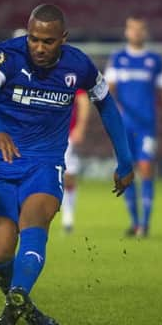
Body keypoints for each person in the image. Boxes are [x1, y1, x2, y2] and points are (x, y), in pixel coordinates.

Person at [0, 4, 134, 325]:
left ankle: (19, 294)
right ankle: (25, 306)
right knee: (0, 257)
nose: (39, 48)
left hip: (45, 164)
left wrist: (125, 160)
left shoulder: (80, 65)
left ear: (63, 39)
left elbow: (108, 107)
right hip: (1, 164)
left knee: (34, 222)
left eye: (48, 41)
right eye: (33, 39)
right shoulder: (8, 55)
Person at [105, 15, 162, 238]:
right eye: (132, 29)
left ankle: (145, 224)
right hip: (123, 127)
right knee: (126, 171)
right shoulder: (118, 58)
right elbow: (109, 89)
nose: (136, 33)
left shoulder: (154, 60)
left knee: (147, 169)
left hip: (147, 125)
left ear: (145, 32)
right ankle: (135, 222)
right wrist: (113, 112)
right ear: (126, 32)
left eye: (140, 29)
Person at [62, 89, 90, 233]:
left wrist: (80, 127)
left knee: (69, 175)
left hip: (67, 133)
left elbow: (83, 101)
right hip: (44, 133)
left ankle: (68, 215)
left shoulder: (71, 73)